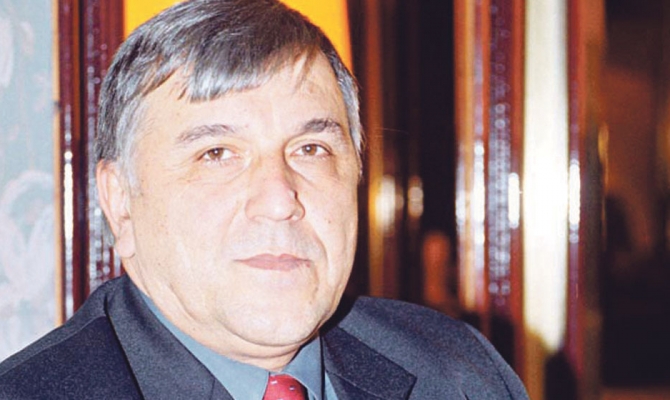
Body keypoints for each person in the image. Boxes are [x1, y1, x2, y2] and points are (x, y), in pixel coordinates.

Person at [0, 0, 528, 398]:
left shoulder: (458, 372)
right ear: (120, 202)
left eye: (311, 148)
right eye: (216, 154)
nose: (279, 200)